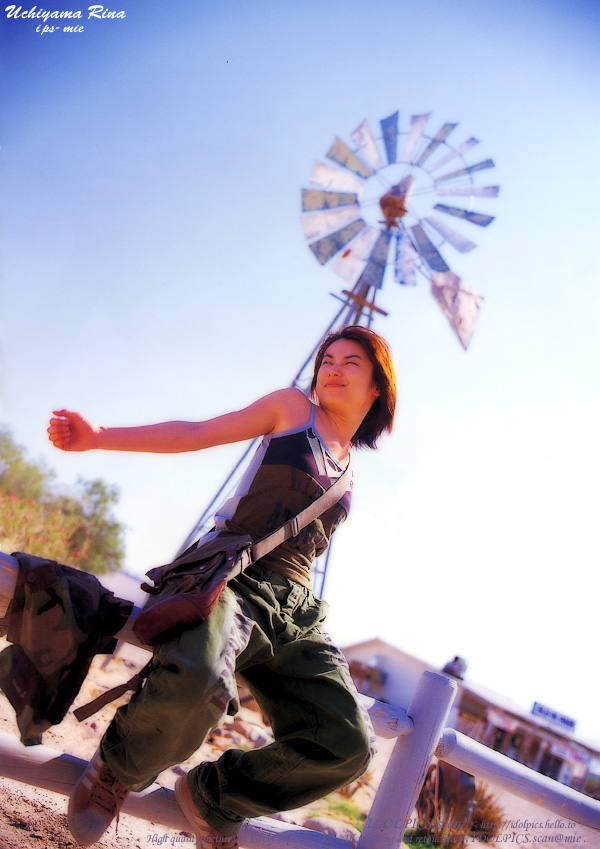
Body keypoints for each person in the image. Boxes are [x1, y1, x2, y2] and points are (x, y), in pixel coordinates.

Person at [47, 325, 397, 848]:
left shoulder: (350, 466)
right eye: (327, 359)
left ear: (377, 387)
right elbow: (196, 433)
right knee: (201, 675)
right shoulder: (292, 409)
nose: (332, 369)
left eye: (351, 362)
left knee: (348, 743)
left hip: (297, 609)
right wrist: (99, 436)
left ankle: (215, 797)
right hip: (234, 577)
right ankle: (115, 768)